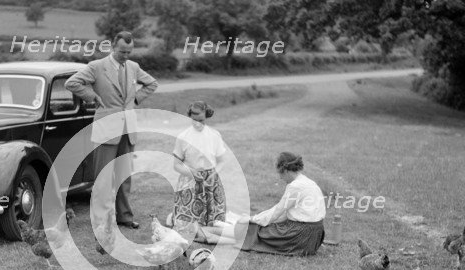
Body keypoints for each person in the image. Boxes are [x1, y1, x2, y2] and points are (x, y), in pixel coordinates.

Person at [65, 31, 158, 230]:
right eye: (122, 51)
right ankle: (101, 220)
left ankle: (124, 216)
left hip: (128, 130)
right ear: (113, 47)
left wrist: (136, 99)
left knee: (124, 176)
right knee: (103, 178)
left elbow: (152, 83)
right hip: (106, 129)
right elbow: (71, 83)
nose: (126, 55)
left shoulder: (134, 67)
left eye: (129, 51)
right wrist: (91, 96)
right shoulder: (96, 67)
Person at [238, 152, 326, 255]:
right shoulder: (309, 182)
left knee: (260, 231)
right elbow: (284, 214)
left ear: (286, 171)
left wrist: (252, 219)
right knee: (265, 225)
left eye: (280, 173)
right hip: (315, 236)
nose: (280, 177)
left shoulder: (295, 186)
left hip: (300, 235)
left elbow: (277, 211)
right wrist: (258, 219)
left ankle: (220, 235)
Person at [171, 101, 228, 242]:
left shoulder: (214, 135)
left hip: (210, 181)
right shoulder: (183, 137)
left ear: (207, 117)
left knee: (215, 224)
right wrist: (191, 173)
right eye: (194, 120)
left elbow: (221, 161)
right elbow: (177, 165)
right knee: (185, 226)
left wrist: (214, 174)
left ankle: (206, 228)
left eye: (201, 120)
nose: (197, 124)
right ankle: (184, 222)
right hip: (190, 179)